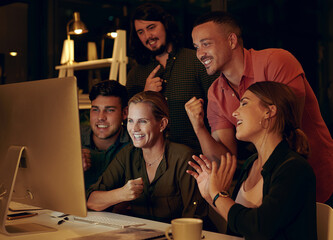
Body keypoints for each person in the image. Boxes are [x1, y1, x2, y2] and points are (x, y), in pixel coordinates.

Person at [185, 11, 333, 204]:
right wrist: (199, 127)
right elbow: (225, 161)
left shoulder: (275, 61)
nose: (200, 53)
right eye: (196, 47)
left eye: (206, 44)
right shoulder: (216, 92)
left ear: (231, 41)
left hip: (318, 175)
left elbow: (287, 130)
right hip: (270, 188)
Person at [188, 82, 317, 240]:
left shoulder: (294, 169)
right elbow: (240, 222)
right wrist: (210, 194)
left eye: (244, 103)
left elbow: (259, 227)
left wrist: (217, 195)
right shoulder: (251, 163)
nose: (235, 113)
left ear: (269, 112)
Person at [86, 91, 208, 223]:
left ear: (162, 124)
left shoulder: (183, 158)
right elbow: (91, 201)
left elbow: (195, 218)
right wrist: (121, 194)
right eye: (130, 121)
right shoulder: (127, 154)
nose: (134, 128)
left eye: (142, 121)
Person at [126, 3, 217, 153]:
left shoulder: (196, 61)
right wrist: (145, 95)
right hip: (153, 161)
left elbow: (220, 110)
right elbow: (128, 124)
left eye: (151, 27)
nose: (148, 36)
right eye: (140, 32)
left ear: (166, 25)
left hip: (198, 157)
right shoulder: (136, 74)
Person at [81, 80, 130, 190]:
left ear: (125, 113)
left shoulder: (136, 146)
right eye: (95, 109)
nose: (101, 117)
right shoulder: (71, 140)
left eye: (110, 110)